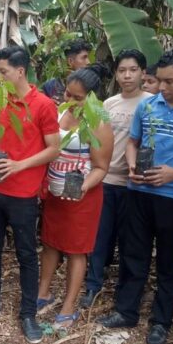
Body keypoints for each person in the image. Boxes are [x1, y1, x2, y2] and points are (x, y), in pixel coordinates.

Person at [96, 48, 173, 344]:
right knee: (132, 253)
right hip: (138, 191)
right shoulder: (148, 106)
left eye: (169, 81)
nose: (161, 87)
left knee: (166, 259)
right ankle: (126, 311)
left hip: (172, 197)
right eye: (158, 80)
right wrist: (132, 165)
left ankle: (161, 322)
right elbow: (133, 142)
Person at [0, 46, 60, 343]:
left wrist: (20, 165)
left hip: (23, 193)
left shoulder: (43, 105)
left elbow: (54, 149)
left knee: (26, 254)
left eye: (3, 72)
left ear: (20, 71)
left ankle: (28, 314)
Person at [37, 65, 114, 328]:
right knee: (50, 242)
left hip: (82, 197)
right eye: (67, 94)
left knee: (76, 251)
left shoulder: (99, 123)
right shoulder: (59, 112)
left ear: (91, 98)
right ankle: (43, 293)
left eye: (77, 98)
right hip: (55, 192)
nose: (69, 100)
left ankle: (69, 306)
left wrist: (82, 186)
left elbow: (101, 167)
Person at [81, 49, 151, 308]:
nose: (127, 75)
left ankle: (126, 289)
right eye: (122, 70)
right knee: (99, 237)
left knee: (130, 240)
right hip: (105, 180)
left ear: (143, 73)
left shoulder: (152, 103)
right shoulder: (108, 104)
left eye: (133, 70)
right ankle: (93, 285)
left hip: (134, 184)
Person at [42, 39, 93, 103]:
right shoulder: (49, 87)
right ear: (70, 61)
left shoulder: (91, 84)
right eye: (84, 57)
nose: (88, 62)